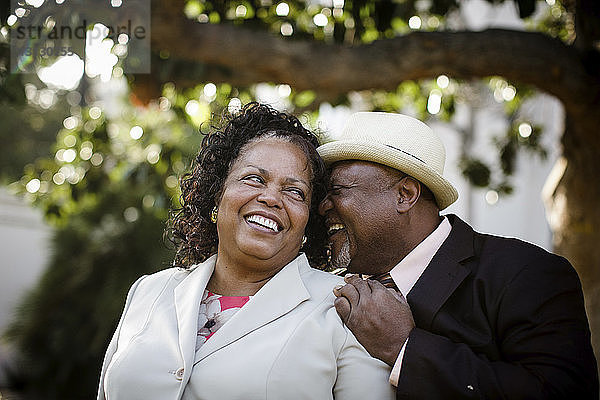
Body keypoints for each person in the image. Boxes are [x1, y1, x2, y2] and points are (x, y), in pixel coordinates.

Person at [96, 103, 394, 400]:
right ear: (217, 194)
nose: (271, 198)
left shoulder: (344, 307)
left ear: (308, 220)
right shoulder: (149, 291)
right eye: (255, 179)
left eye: (294, 191)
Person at [317, 111, 599, 399]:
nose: (322, 206)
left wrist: (404, 347)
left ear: (405, 194)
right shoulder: (328, 288)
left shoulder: (527, 274)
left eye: (336, 190)